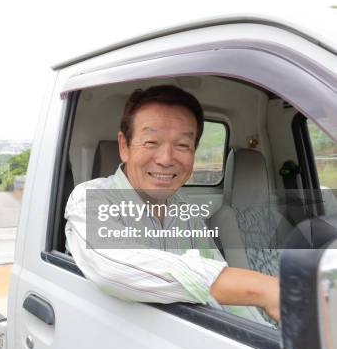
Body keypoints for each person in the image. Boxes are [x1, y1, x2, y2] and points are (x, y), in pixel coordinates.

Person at [64, 85, 280, 323]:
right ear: (124, 146)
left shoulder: (184, 208)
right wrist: (261, 288)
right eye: (151, 142)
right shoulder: (89, 198)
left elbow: (218, 279)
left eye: (182, 146)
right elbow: (112, 267)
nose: (166, 159)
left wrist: (261, 333)